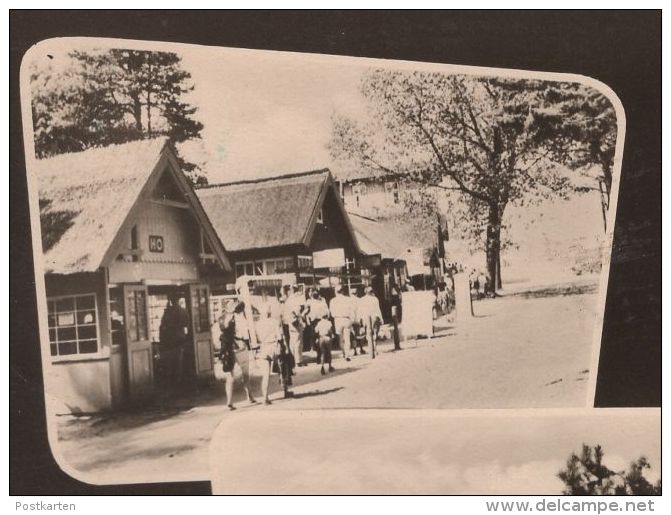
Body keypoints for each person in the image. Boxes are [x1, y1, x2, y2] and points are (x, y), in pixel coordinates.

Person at [218, 305, 256, 411]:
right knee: (245, 373)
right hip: (240, 347)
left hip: (229, 348)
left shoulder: (222, 318)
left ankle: (229, 401)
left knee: (230, 375)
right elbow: (245, 335)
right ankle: (250, 396)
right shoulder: (240, 318)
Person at [254, 302, 292, 404]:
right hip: (274, 347)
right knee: (282, 369)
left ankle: (265, 398)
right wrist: (285, 347)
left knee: (265, 375)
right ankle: (285, 390)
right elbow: (279, 336)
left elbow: (257, 338)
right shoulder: (274, 322)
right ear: (269, 312)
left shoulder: (257, 324)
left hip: (264, 348)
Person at [159, 293, 190, 384]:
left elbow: (163, 325)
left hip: (169, 338)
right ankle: (178, 378)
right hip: (180, 337)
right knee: (179, 358)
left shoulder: (168, 311)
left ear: (171, 300)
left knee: (170, 359)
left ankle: (171, 378)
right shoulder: (183, 310)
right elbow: (187, 323)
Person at [329, 285, 355, 362]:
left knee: (340, 339)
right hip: (347, 319)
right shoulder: (348, 299)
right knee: (347, 338)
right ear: (343, 291)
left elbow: (332, 312)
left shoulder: (333, 301)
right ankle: (347, 354)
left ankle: (344, 353)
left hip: (338, 319)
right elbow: (352, 311)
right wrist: (352, 320)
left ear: (336, 292)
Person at [283, 285, 307, 367]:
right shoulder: (294, 300)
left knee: (292, 342)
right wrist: (301, 318)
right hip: (295, 321)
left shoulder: (288, 300)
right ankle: (298, 361)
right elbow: (297, 312)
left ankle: (293, 359)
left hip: (290, 322)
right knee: (298, 342)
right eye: (296, 290)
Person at [358, 286, 383, 359]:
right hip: (374, 317)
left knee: (368, 333)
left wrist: (360, 319)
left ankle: (370, 349)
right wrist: (381, 319)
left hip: (365, 318)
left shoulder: (361, 300)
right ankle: (375, 349)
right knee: (375, 333)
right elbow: (378, 309)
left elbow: (360, 310)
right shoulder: (375, 299)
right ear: (371, 292)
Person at [306, 289, 329, 363]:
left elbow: (327, 312)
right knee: (320, 339)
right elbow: (327, 313)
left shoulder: (316, 302)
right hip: (318, 322)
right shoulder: (317, 303)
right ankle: (322, 356)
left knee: (319, 339)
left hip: (317, 322)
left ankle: (321, 356)